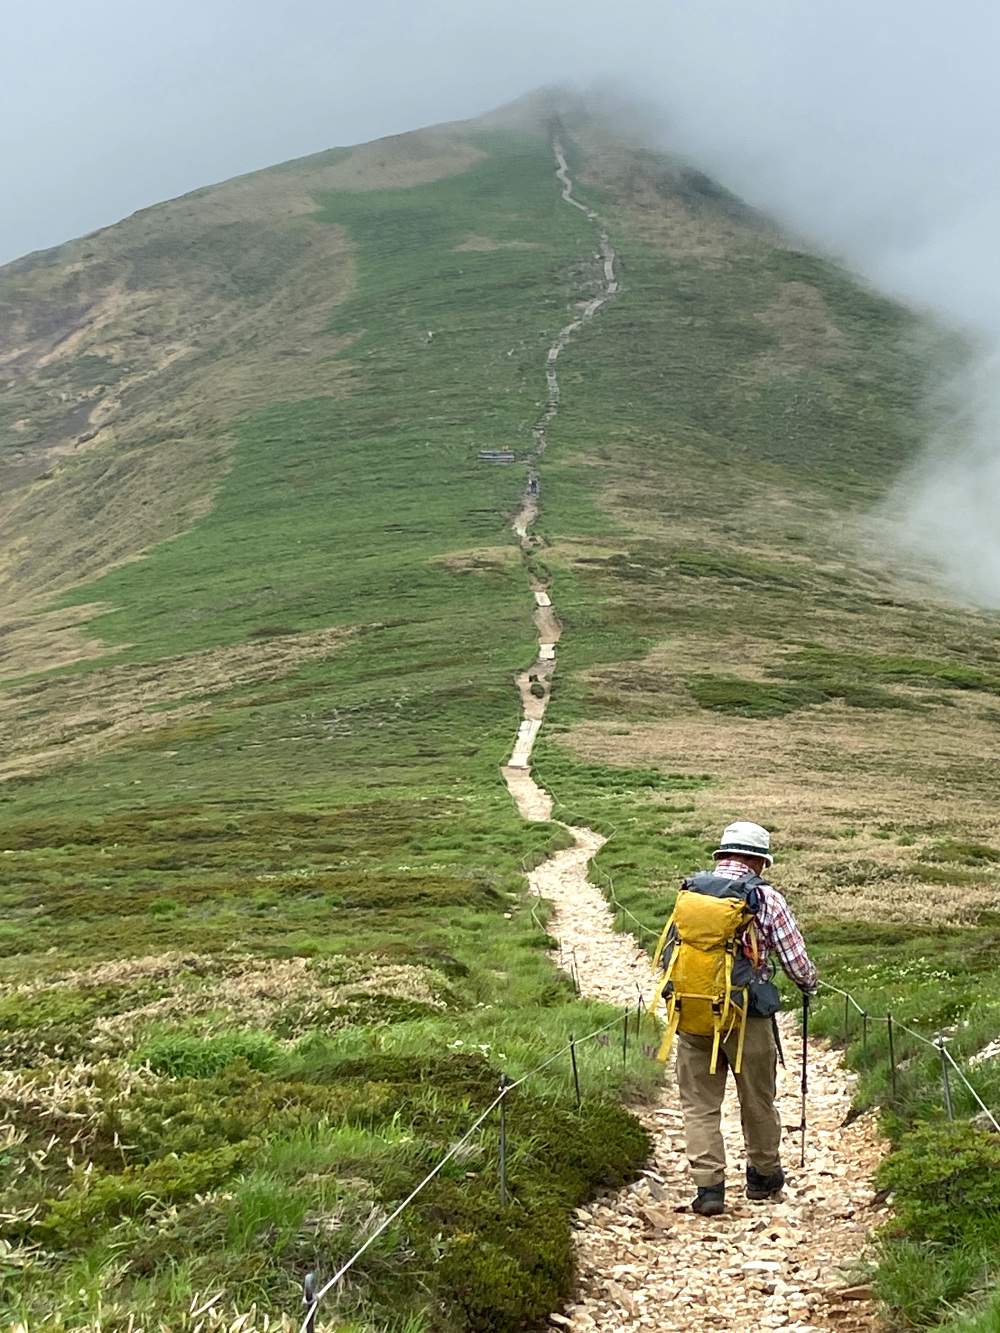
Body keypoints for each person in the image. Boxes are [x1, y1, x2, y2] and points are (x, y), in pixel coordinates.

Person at [672, 821, 817, 1217]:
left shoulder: (692, 891)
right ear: (758, 860)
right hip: (748, 1014)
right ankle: (762, 1176)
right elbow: (795, 960)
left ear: (722, 855)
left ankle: (709, 1189)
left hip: (696, 1010)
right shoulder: (765, 898)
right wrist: (809, 985)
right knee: (757, 1097)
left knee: (699, 1103)